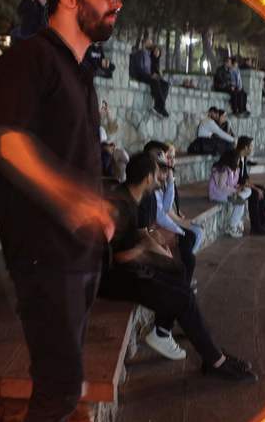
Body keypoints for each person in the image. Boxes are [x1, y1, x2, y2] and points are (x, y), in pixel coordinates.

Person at [0, 0, 122, 422]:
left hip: (77, 254)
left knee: (64, 386)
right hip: (43, 251)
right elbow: (11, 145)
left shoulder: (79, 71)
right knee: (56, 387)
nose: (115, 2)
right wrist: (70, 200)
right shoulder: (27, 59)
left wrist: (98, 212)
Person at [100, 151, 254, 382]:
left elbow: (139, 235)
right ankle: (214, 360)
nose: (161, 176)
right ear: (148, 178)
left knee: (179, 272)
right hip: (114, 279)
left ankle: (182, 335)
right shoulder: (120, 205)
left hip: (129, 269)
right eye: (157, 172)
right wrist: (144, 250)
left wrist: (158, 249)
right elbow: (118, 257)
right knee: (183, 297)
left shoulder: (132, 198)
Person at [142, 140, 202, 277]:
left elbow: (167, 206)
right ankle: (180, 276)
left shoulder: (160, 179)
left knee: (191, 238)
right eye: (164, 156)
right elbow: (160, 216)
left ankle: (182, 274)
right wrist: (179, 229)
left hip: (158, 222)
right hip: (153, 227)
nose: (169, 160)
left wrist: (170, 179)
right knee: (188, 239)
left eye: (170, 157)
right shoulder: (149, 182)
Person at [235, 136, 265, 235]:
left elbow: (245, 177)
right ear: (245, 147)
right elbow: (239, 180)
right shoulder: (236, 158)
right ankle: (255, 227)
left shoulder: (243, 157)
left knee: (262, 189)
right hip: (234, 186)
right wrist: (255, 189)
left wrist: (255, 187)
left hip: (241, 184)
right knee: (255, 194)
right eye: (251, 146)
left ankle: (264, 222)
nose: (252, 148)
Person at [208, 149, 250, 237]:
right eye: (238, 159)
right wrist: (235, 191)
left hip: (229, 192)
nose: (239, 161)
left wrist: (238, 188)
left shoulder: (235, 170)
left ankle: (236, 221)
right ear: (233, 159)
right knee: (240, 201)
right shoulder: (223, 170)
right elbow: (221, 186)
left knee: (248, 191)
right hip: (218, 194)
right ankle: (232, 225)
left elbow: (232, 184)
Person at [129, 43, 170, 117]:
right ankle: (161, 106)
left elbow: (154, 71)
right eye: (155, 51)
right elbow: (141, 69)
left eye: (158, 52)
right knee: (155, 81)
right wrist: (151, 75)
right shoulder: (144, 55)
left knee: (165, 84)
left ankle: (159, 107)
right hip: (142, 75)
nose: (156, 53)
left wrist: (158, 75)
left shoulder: (154, 59)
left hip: (150, 76)